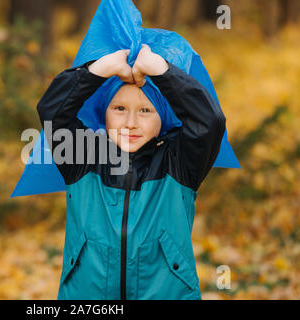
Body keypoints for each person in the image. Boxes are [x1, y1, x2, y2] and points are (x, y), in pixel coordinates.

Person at [36, 44, 226, 300]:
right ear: (104, 114)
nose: (131, 123)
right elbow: (53, 110)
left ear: (163, 119)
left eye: (146, 110)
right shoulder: (82, 158)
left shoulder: (179, 162)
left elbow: (209, 121)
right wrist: (101, 69)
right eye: (119, 109)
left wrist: (161, 71)